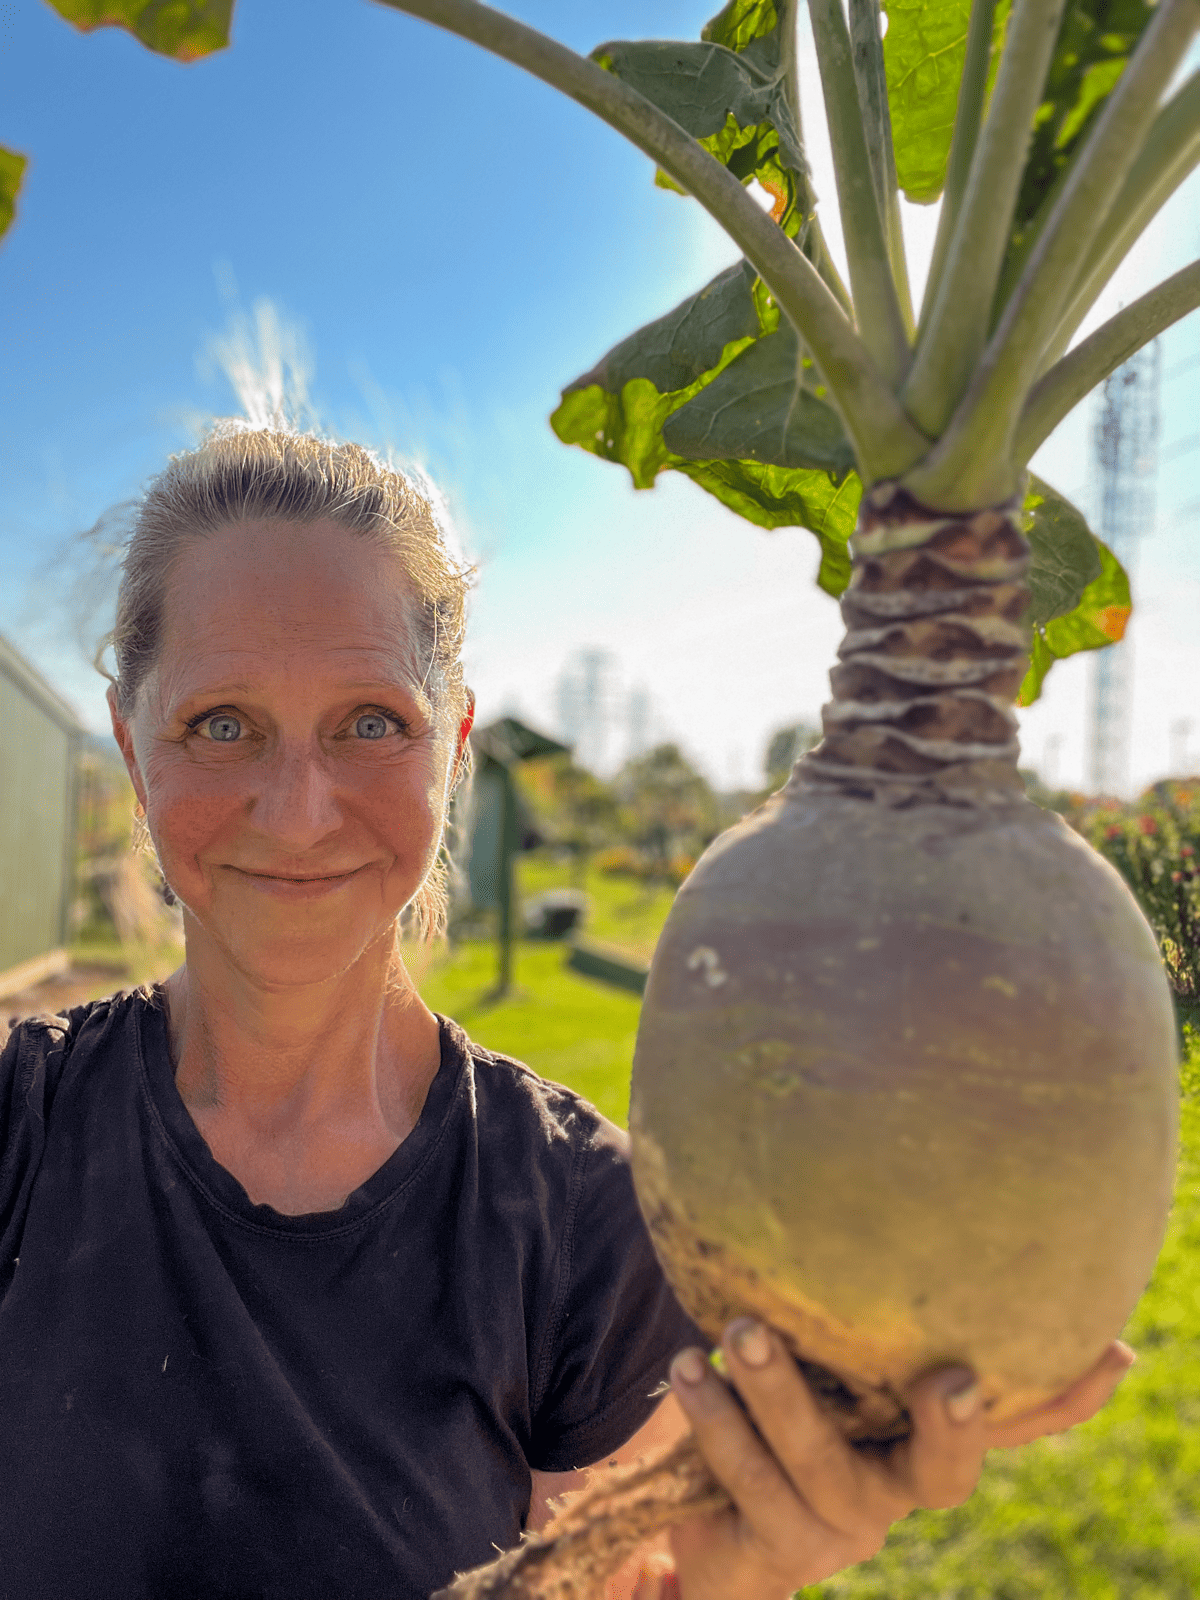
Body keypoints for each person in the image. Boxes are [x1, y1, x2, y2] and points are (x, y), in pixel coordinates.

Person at [0, 426, 1131, 1600]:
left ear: (455, 750)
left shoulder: (593, 1227)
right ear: (134, 750)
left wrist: (726, 1578)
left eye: (372, 722)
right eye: (221, 723)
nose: (296, 813)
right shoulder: (17, 1122)